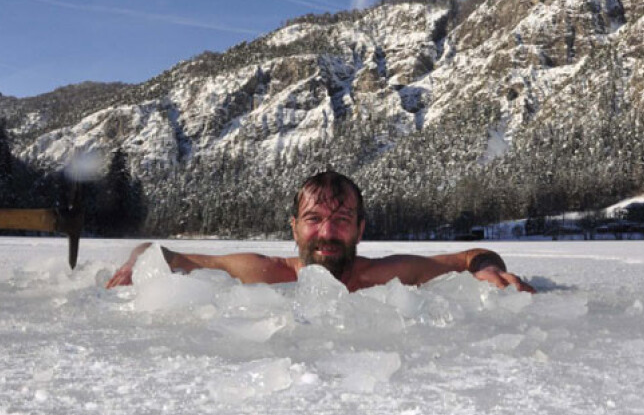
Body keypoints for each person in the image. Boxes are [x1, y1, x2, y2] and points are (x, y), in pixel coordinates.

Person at [106, 171, 535, 293]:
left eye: (342, 220)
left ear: (360, 229)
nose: (326, 231)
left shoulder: (381, 276)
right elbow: (160, 252)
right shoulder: (262, 273)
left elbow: (472, 255)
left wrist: (486, 270)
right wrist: (134, 262)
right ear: (294, 228)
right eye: (313, 220)